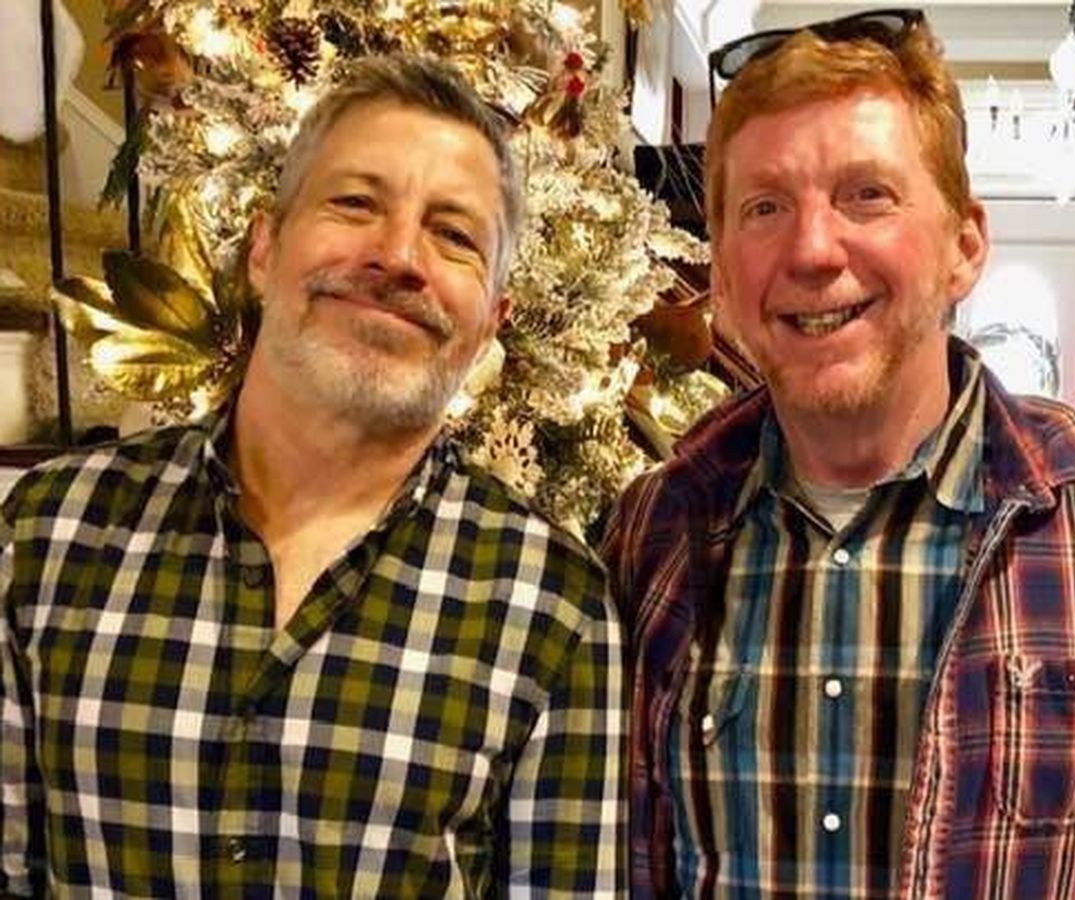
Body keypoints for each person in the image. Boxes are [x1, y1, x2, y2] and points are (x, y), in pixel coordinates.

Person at [603, 9, 1075, 898]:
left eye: (867, 195)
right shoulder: (652, 533)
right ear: (720, 273)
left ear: (965, 246)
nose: (812, 250)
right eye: (765, 208)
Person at [2, 55, 624, 897]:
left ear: (490, 324)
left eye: (454, 235)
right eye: (356, 203)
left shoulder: (553, 604)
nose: (398, 255)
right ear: (264, 248)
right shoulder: (48, 533)